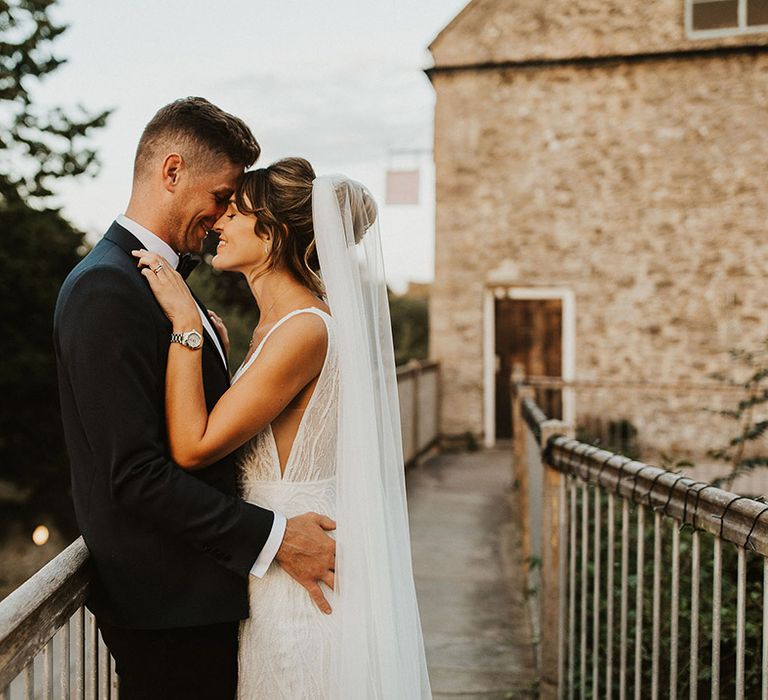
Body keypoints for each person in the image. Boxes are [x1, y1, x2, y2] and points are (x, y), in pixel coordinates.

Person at [53, 99, 336, 700]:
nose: (219, 217)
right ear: (172, 171)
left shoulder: (159, 285)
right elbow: (134, 475)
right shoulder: (107, 288)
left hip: (204, 594)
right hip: (166, 606)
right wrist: (275, 536)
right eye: (221, 196)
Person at [133, 157, 432, 698]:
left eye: (235, 212)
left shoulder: (302, 330)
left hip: (299, 565)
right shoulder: (280, 326)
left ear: (273, 236)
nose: (219, 221)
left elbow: (194, 447)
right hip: (276, 557)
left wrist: (185, 328)